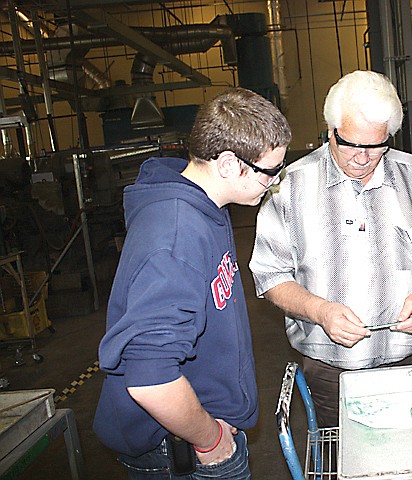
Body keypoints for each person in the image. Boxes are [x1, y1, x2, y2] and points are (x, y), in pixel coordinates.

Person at [93, 87, 291, 478]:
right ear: (230, 164)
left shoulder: (204, 206)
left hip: (198, 430)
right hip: (180, 451)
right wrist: (211, 439)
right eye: (271, 171)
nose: (276, 181)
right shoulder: (176, 236)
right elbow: (152, 378)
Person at [249, 70, 412, 427]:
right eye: (350, 143)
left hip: (410, 363)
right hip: (331, 374)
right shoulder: (289, 187)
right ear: (330, 131)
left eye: (376, 146)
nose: (363, 157)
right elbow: (270, 275)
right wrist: (320, 312)